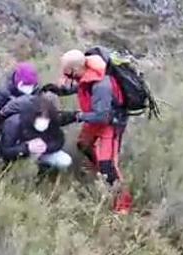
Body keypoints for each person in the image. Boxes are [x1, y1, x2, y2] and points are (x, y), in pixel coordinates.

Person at [43, 49, 133, 214]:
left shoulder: (101, 85)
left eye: (66, 71)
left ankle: (123, 205)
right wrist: (60, 91)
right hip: (95, 118)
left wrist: (76, 116)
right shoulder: (87, 74)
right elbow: (81, 87)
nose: (64, 74)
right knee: (83, 145)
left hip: (110, 124)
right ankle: (99, 171)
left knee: (109, 165)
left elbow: (102, 116)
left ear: (75, 70)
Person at [0, 92, 75, 170]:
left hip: (41, 153)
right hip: (20, 154)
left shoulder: (52, 122)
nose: (44, 120)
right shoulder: (14, 123)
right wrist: (27, 148)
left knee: (65, 160)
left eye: (46, 118)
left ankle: (45, 171)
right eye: (40, 117)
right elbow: (4, 151)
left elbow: (59, 140)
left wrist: (46, 147)